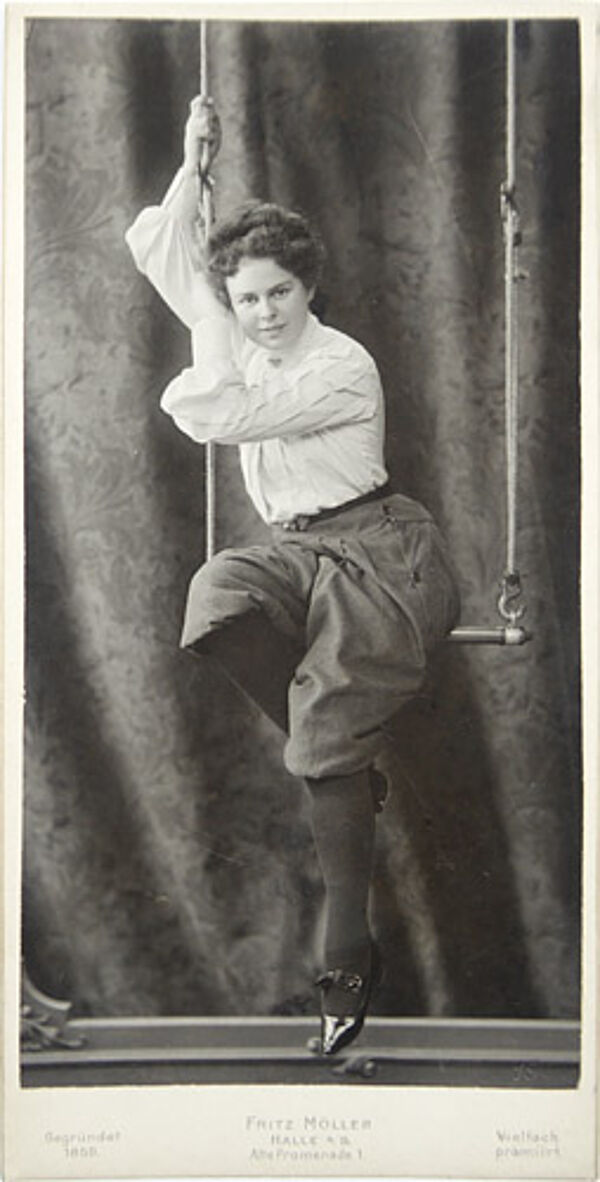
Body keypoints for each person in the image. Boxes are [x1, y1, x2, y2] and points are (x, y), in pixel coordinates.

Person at [126, 96, 460, 1056]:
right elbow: (163, 250)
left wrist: (210, 322)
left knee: (322, 748)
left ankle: (347, 966)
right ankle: (342, 760)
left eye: (278, 294)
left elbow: (223, 416)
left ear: (307, 287)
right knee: (216, 599)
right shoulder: (241, 333)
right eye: (245, 300)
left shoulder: (338, 368)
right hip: (299, 551)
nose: (263, 313)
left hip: (380, 555)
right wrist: (192, 163)